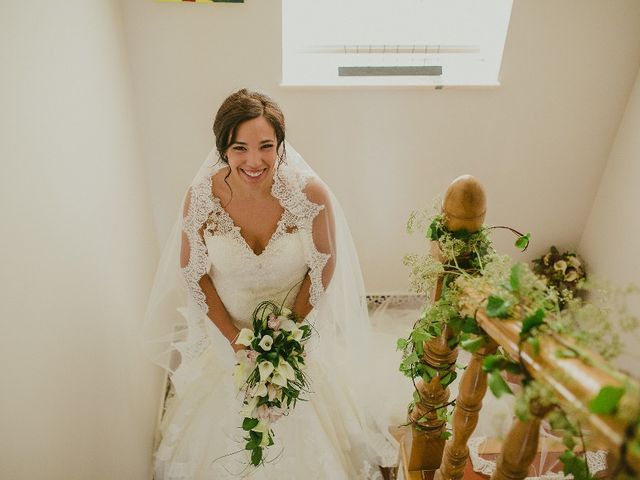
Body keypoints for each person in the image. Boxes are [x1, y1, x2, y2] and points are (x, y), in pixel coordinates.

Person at [141, 89, 398, 479]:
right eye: (239, 148)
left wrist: (289, 336)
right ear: (222, 148)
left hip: (294, 328)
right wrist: (233, 339)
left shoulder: (309, 195)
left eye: (266, 146)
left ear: (280, 145)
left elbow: (323, 267)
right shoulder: (201, 199)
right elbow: (194, 273)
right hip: (231, 337)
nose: (254, 161)